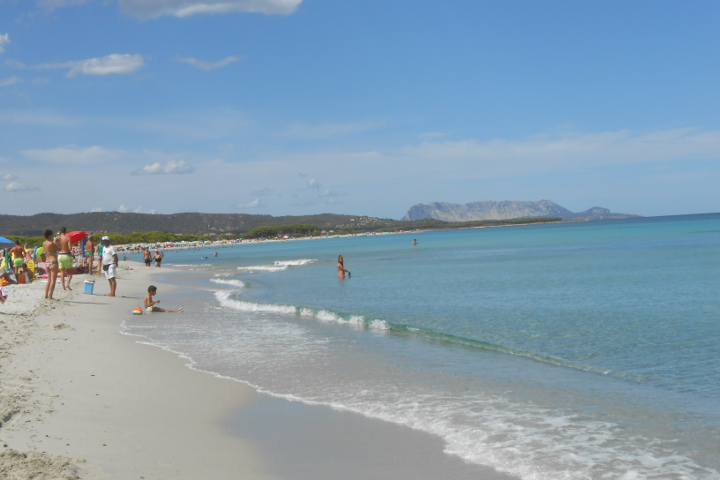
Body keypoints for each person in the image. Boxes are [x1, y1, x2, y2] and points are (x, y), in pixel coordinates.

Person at [43, 229, 59, 299]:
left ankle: (46, 295)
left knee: (49, 280)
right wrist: (57, 242)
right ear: (50, 236)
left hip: (47, 262)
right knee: (53, 280)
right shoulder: (51, 243)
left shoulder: (44, 243)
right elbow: (59, 249)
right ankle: (50, 296)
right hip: (53, 262)